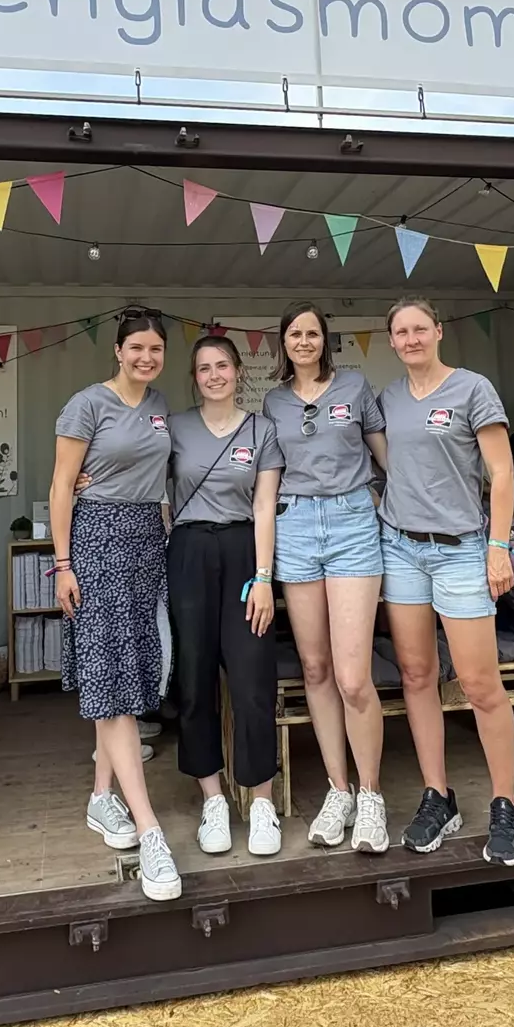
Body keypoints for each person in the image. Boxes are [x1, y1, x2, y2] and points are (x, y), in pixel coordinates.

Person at [376, 295, 514, 865]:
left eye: (420, 328)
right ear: (391, 341)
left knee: (479, 683)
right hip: (401, 549)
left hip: (462, 551)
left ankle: (506, 803)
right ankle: (438, 794)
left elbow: (503, 471)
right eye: (401, 332)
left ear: (438, 331)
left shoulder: (472, 389)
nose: (411, 339)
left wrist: (498, 546)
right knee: (416, 676)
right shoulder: (389, 398)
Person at [51, 309, 182, 902]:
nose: (146, 357)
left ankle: (102, 798)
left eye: (155, 348)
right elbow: (61, 486)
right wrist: (62, 563)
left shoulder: (159, 406)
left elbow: (160, 478)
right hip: (97, 541)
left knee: (126, 673)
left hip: (146, 541)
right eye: (137, 347)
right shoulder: (87, 405)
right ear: (118, 350)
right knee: (112, 676)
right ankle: (149, 827)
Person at [259, 302, 391, 853]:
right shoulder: (272, 401)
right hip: (295, 526)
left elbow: (390, 458)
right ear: (283, 343)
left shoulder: (356, 388)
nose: (305, 341)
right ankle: (339, 790)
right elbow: (263, 472)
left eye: (313, 333)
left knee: (353, 676)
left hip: (353, 521)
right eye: (295, 333)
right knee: (314, 666)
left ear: (325, 340)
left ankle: (372, 796)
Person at [168, 334, 285, 857]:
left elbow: (264, 506)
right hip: (189, 551)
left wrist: (263, 577)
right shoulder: (174, 428)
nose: (214, 375)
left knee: (252, 676)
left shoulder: (263, 430)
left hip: (243, 551)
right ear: (194, 377)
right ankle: (212, 798)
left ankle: (261, 799)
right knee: (194, 680)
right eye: (203, 368)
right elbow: (146, 484)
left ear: (239, 371)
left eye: (222, 365)